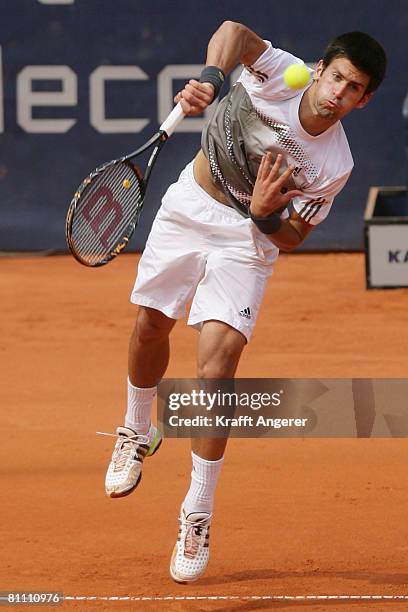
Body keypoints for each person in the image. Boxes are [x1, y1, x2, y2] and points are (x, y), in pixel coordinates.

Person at [101, 21, 386, 583]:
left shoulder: (335, 165)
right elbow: (232, 32)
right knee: (150, 328)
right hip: (191, 206)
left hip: (248, 242)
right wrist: (211, 78)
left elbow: (294, 235)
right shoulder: (282, 74)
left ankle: (197, 511)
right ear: (322, 68)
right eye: (337, 79)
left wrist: (264, 215)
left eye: (354, 90)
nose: (338, 95)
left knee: (217, 368)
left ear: (364, 99)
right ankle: (138, 430)